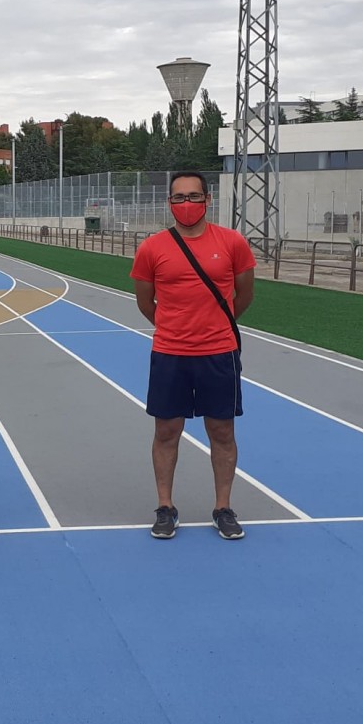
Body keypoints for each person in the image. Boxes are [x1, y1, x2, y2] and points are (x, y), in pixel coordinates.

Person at [130, 169, 256, 541]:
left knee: (222, 430)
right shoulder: (152, 247)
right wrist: (175, 328)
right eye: (179, 198)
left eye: (194, 197)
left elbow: (244, 294)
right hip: (170, 353)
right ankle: (165, 507)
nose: (187, 204)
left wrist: (215, 325)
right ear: (170, 203)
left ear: (208, 200)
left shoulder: (232, 242)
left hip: (219, 353)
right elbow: (144, 301)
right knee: (167, 430)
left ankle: (223, 508)